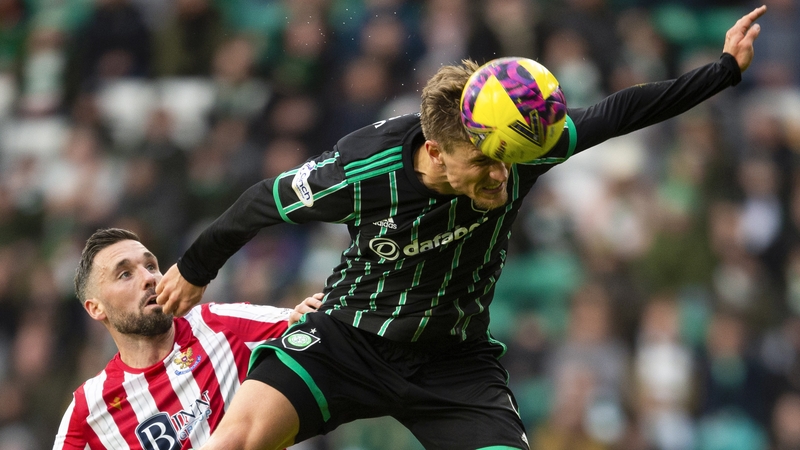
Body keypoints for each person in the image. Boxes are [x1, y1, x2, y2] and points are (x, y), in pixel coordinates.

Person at [155, 6, 768, 450]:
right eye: (482, 162)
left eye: (506, 159)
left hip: (454, 362)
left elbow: (618, 112)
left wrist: (722, 70)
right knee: (233, 441)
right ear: (436, 151)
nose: (501, 176)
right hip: (346, 340)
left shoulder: (524, 147)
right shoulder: (361, 170)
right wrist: (193, 267)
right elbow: (264, 200)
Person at [52, 228, 322, 450]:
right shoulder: (88, 410)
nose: (149, 278)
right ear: (95, 308)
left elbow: (311, 324)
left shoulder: (219, 324)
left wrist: (306, 315)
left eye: (151, 266)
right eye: (125, 274)